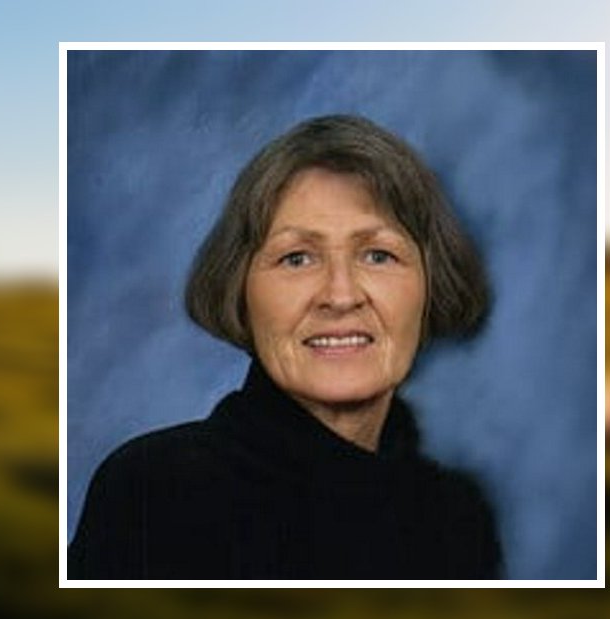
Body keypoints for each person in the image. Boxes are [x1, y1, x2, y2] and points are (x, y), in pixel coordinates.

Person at [68, 114, 500, 579]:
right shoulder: (154, 493)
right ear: (239, 289)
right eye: (297, 258)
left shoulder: (456, 519)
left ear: (433, 285)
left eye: (378, 255)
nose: (340, 296)